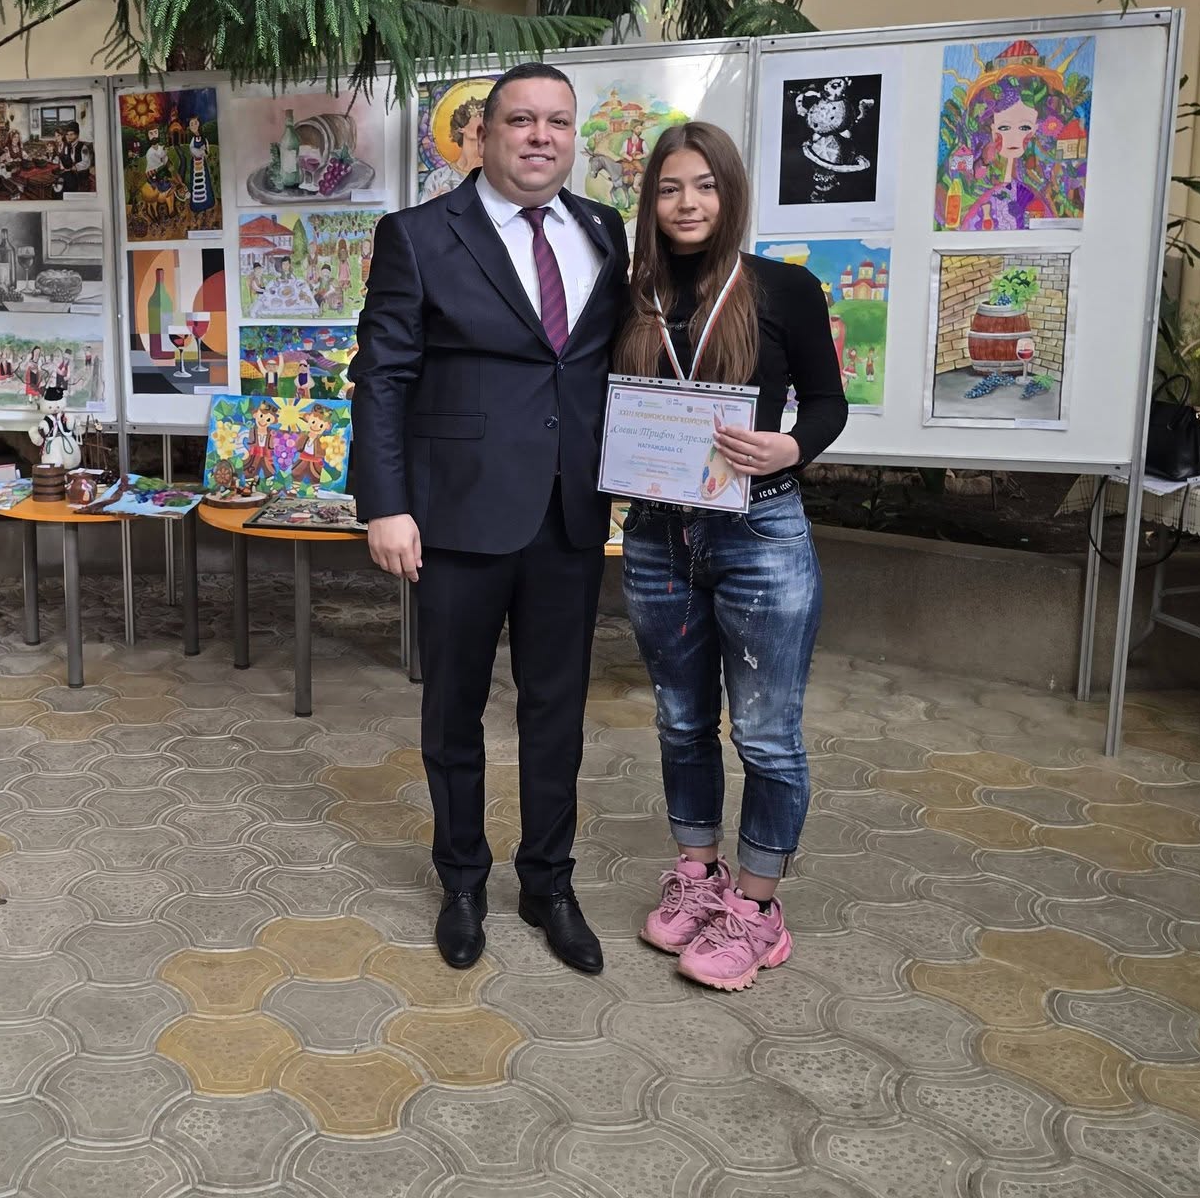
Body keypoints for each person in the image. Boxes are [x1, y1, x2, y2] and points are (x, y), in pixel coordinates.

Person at [350, 62, 626, 974]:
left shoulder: (605, 229)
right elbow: (381, 377)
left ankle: (548, 882)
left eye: (557, 122)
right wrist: (385, 504)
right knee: (454, 710)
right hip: (457, 515)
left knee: (558, 712)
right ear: (483, 134)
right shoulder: (420, 235)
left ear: (572, 136)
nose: (540, 136)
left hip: (569, 514)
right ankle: (463, 880)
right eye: (521, 120)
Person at [613, 121, 845, 991]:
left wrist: (791, 447)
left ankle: (756, 909)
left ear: (731, 194)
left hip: (759, 531)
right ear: (651, 200)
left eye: (705, 186)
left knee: (766, 733)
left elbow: (826, 402)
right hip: (656, 534)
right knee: (680, 720)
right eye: (671, 187)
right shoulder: (630, 295)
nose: (688, 203)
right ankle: (698, 874)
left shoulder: (784, 288)